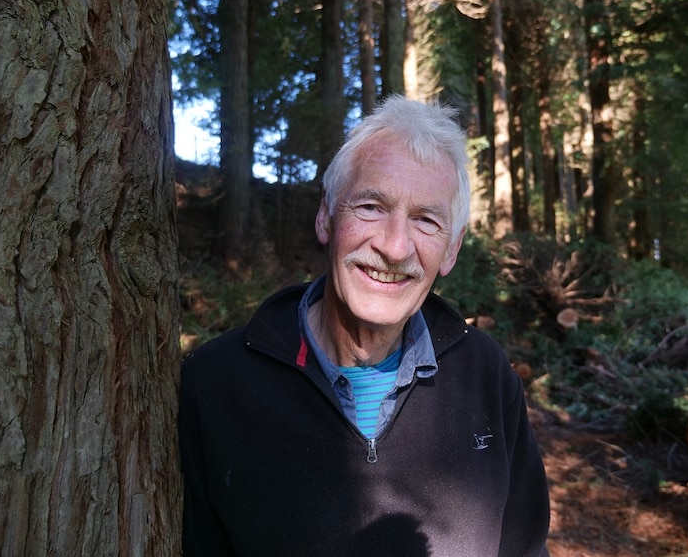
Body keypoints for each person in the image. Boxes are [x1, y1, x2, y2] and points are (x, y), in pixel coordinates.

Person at [178, 96, 550, 556]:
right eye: (371, 206)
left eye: (426, 220)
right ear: (326, 216)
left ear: (451, 251)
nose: (395, 247)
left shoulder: (487, 377)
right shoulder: (215, 383)